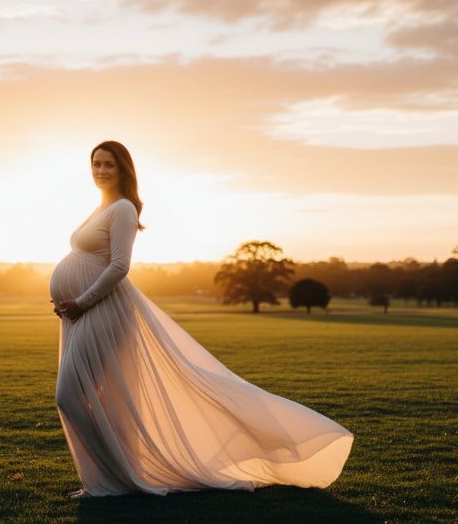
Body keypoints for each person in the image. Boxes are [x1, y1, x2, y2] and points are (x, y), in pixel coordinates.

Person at [49, 141, 354, 499]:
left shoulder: (123, 209)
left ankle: (116, 479)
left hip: (102, 311)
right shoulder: (99, 208)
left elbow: (120, 266)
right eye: (96, 164)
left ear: (124, 171)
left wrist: (82, 302)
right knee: (103, 397)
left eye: (108, 165)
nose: (100, 171)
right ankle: (111, 478)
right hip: (81, 314)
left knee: (69, 396)